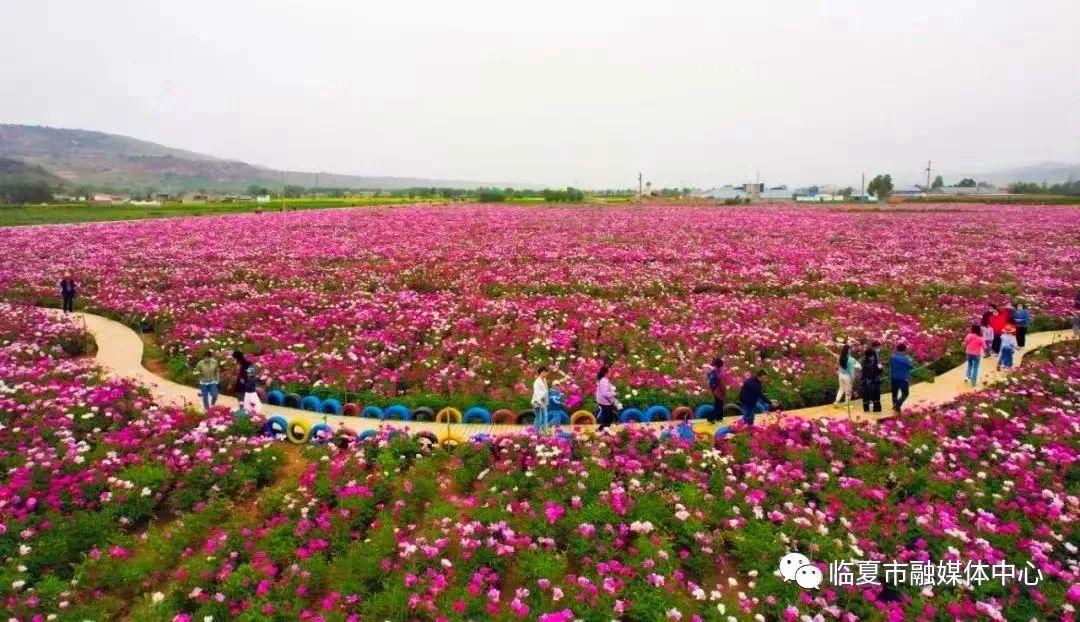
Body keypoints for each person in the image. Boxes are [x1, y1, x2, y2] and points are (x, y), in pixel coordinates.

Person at [832, 344, 861, 409]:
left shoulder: (840, 357)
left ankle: (836, 402)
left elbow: (839, 366)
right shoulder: (850, 359)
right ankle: (846, 405)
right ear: (848, 350)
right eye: (850, 349)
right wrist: (853, 379)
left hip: (841, 375)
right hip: (847, 377)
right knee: (848, 391)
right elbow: (851, 371)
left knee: (841, 389)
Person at [889, 343, 914, 414]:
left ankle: (894, 405)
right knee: (905, 393)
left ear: (897, 349)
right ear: (904, 350)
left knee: (894, 393)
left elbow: (891, 365)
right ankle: (897, 406)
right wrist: (910, 360)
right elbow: (911, 366)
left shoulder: (892, 357)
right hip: (903, 378)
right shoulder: (906, 358)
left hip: (894, 378)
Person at [861, 341, 883, 413]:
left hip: (867, 381)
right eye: (872, 356)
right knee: (875, 395)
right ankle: (875, 410)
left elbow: (864, 372)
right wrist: (879, 367)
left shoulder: (864, 361)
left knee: (866, 396)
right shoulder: (875, 362)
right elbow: (880, 370)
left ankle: (867, 410)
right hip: (873, 381)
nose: (873, 357)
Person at [595, 365, 618, 431]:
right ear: (605, 373)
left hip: (604, 401)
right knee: (607, 418)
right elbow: (605, 393)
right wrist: (614, 393)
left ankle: (601, 429)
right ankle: (603, 431)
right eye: (609, 372)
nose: (610, 373)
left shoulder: (603, 380)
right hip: (605, 402)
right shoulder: (604, 381)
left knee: (608, 417)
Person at [706, 357, 727, 423]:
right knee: (718, 405)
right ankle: (711, 418)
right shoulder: (720, 373)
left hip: (714, 390)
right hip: (719, 391)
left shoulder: (712, 372)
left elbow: (709, 382)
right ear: (721, 365)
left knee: (718, 404)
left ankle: (719, 418)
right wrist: (724, 392)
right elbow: (722, 384)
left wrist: (712, 390)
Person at [531, 365, 551, 434]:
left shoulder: (544, 380)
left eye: (545, 372)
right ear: (540, 373)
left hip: (544, 401)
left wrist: (545, 401)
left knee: (545, 416)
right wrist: (540, 402)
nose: (545, 374)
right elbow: (536, 393)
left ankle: (545, 431)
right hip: (537, 401)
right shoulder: (537, 382)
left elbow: (546, 391)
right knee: (538, 418)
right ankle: (535, 432)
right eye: (543, 373)